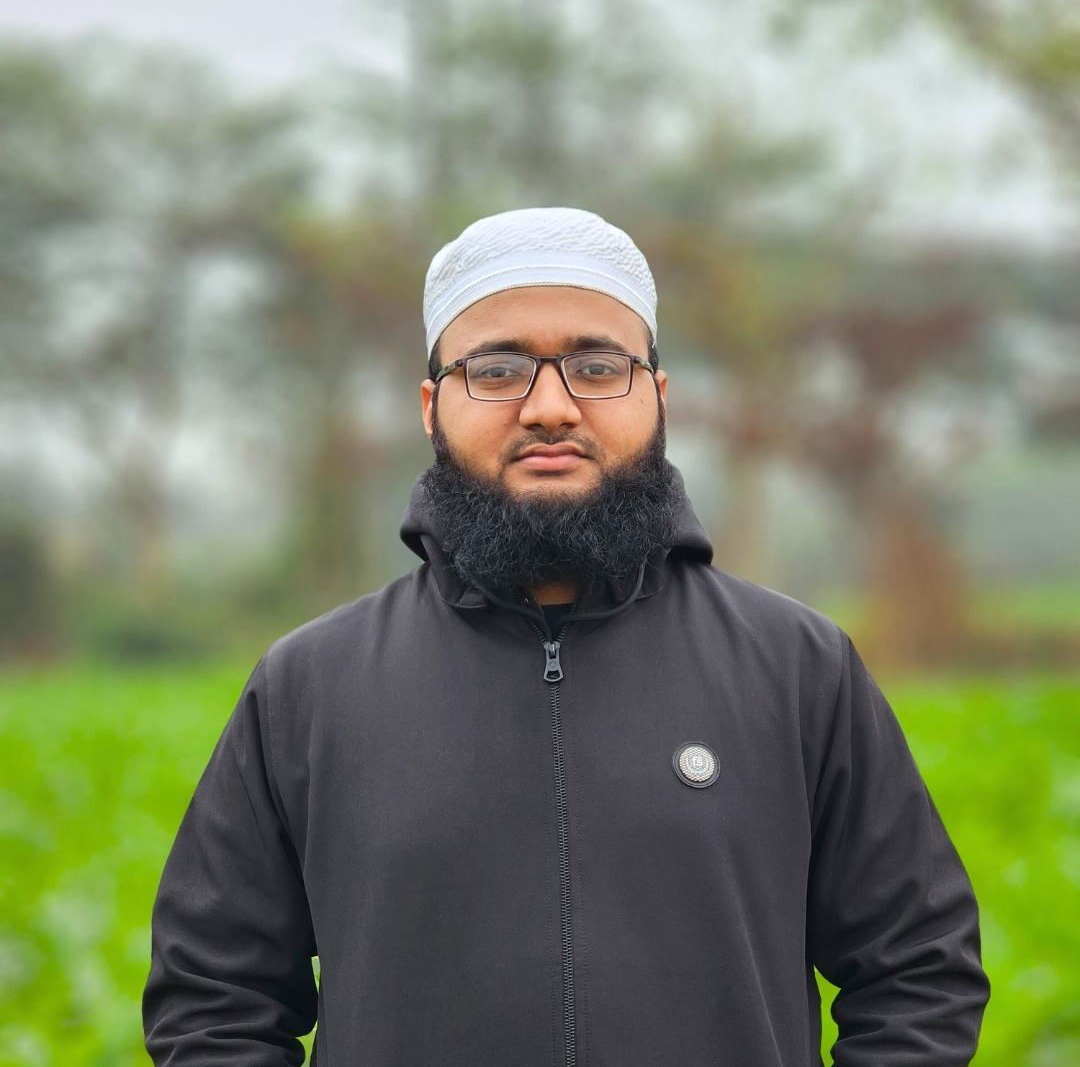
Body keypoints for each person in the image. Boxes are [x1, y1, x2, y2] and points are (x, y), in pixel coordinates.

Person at [142, 207, 990, 1066]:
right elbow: (214, 1000)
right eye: (497, 370)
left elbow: (919, 970)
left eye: (596, 366)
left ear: (658, 396)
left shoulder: (798, 669)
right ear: (432, 407)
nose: (550, 408)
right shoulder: (310, 688)